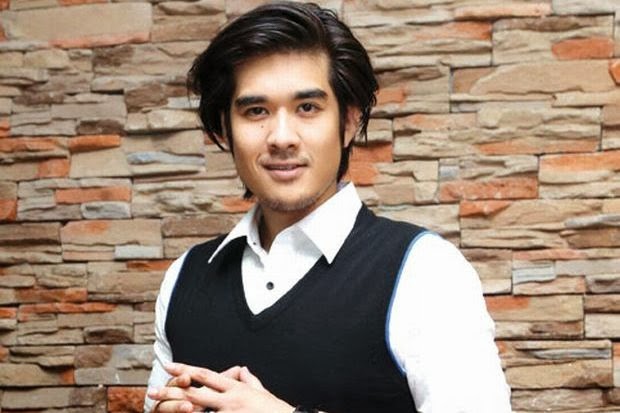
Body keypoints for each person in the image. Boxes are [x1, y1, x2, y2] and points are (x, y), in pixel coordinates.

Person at [145, 2, 512, 413]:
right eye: (255, 111)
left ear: (349, 121)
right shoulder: (183, 278)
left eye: (307, 108)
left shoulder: (426, 271)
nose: (281, 137)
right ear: (224, 130)